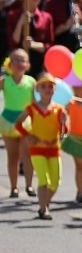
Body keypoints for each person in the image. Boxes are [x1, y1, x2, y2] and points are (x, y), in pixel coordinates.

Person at [17, 74, 67, 219]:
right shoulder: (31, 108)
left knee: (56, 182)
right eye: (43, 86)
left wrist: (64, 123)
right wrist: (28, 136)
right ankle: (43, 208)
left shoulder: (59, 109)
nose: (47, 89)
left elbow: (64, 132)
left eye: (50, 86)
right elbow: (18, 123)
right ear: (37, 89)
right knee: (43, 180)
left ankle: (44, 203)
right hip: (37, 149)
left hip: (53, 149)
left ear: (54, 89)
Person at [3, 48, 37, 197]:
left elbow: (36, 104)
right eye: (15, 60)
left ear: (28, 65)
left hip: (25, 122)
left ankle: (29, 185)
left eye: (22, 60)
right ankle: (14, 187)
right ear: (9, 64)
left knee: (27, 155)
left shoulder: (31, 82)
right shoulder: (5, 81)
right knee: (12, 156)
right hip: (8, 120)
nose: (18, 63)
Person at [6, 0, 54, 75]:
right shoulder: (13, 15)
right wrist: (21, 22)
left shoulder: (46, 17)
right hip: (18, 66)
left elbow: (49, 45)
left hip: (39, 65)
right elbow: (13, 42)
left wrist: (33, 45)